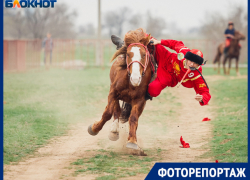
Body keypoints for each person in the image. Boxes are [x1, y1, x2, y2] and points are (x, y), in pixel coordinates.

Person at [111, 32, 211, 120]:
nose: (192, 65)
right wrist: (160, 42)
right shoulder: (183, 52)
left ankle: (138, 97)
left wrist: (202, 98)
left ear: (199, 65)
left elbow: (205, 92)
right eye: (191, 61)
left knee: (153, 90)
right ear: (187, 58)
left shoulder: (196, 75)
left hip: (168, 77)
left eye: (195, 64)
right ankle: (123, 45)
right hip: (165, 57)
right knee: (148, 39)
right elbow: (175, 44)